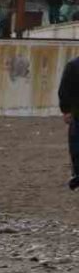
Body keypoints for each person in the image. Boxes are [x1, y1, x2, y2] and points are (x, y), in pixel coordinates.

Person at [61, 53, 79, 190]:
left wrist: (66, 110)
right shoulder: (73, 65)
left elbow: (64, 90)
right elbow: (64, 89)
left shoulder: (73, 65)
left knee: (76, 146)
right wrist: (66, 110)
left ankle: (77, 174)